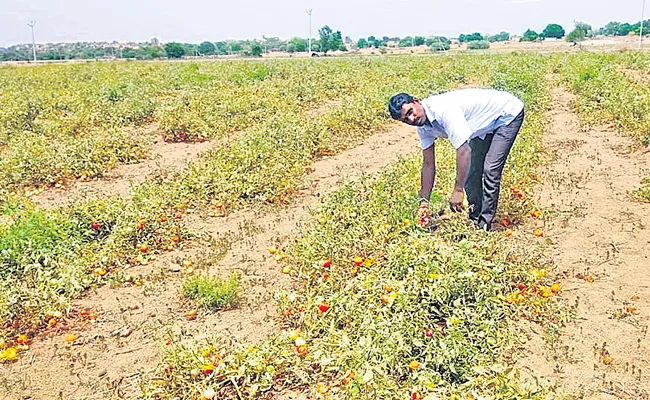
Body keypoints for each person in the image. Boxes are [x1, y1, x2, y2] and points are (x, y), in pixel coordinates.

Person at [388, 88, 525, 231]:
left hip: (507, 114)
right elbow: (428, 164)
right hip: (483, 124)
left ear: (416, 101)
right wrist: (424, 203)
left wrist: (458, 190)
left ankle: (484, 225)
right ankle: (475, 218)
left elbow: (464, 150)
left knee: (490, 169)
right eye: (405, 119)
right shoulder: (422, 126)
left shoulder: (443, 110)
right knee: (472, 174)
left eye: (410, 112)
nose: (411, 119)